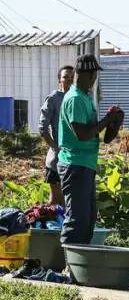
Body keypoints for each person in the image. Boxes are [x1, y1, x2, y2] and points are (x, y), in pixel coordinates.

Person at [58, 54, 121, 245]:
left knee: (87, 219)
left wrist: (114, 122)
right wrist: (106, 120)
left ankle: (80, 263)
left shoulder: (85, 97)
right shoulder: (76, 98)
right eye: (94, 75)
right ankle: (69, 265)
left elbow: (100, 136)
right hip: (74, 165)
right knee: (77, 218)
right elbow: (82, 134)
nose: (95, 79)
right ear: (88, 74)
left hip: (84, 164)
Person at [39, 65, 74, 206]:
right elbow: (42, 127)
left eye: (72, 77)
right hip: (57, 161)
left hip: (74, 159)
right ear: (59, 80)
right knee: (56, 203)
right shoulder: (54, 98)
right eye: (66, 77)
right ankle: (51, 227)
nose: (69, 80)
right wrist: (55, 147)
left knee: (69, 204)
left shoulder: (78, 98)